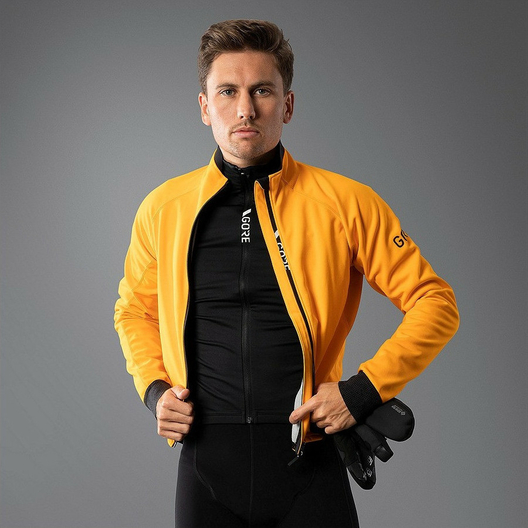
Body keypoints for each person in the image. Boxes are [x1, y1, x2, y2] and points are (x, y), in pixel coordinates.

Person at [114, 19, 459, 528]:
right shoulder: (163, 208)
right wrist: (155, 390)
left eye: (262, 91)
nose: (245, 109)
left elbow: (435, 302)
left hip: (309, 469)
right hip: (206, 473)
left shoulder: (346, 203)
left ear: (288, 104)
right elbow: (134, 312)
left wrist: (362, 391)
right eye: (227, 92)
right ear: (205, 106)